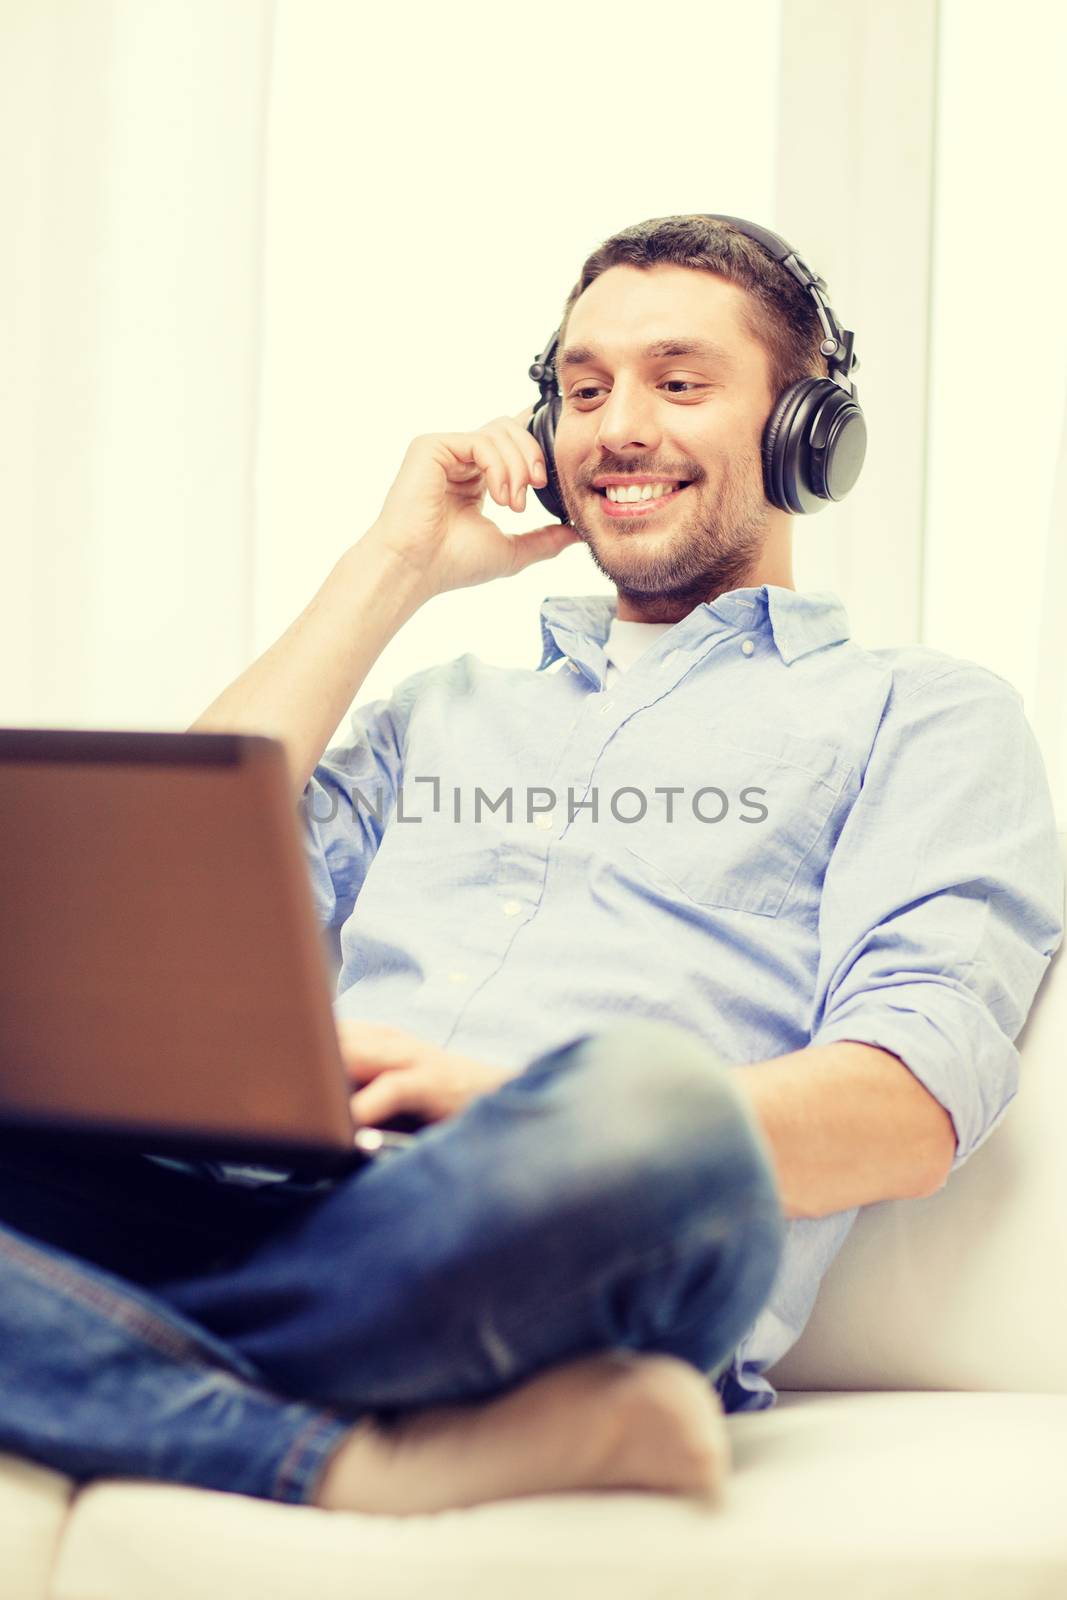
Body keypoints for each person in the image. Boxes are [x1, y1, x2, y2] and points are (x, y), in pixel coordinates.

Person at [0, 215, 1061, 1518]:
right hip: (281, 1215)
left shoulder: (928, 713)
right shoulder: (434, 711)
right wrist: (391, 566)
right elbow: (153, 903)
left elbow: (907, 1111)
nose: (617, 427)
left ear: (807, 431)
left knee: (657, 1107)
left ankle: (100, 1343)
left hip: (561, 1231)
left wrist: (502, 1099)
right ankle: (330, 1450)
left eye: (679, 383)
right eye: (581, 390)